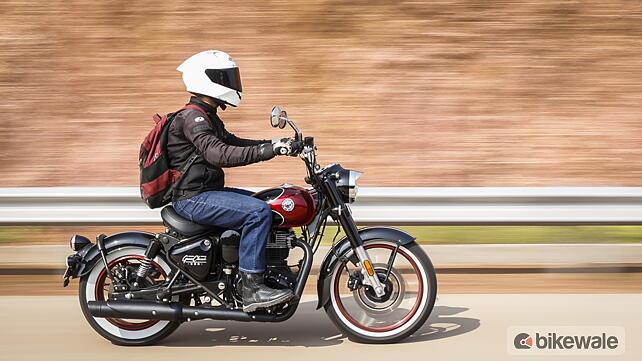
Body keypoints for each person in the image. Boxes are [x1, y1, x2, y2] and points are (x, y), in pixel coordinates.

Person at [167, 50, 294, 312]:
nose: (232, 82)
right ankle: (252, 288)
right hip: (193, 198)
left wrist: (276, 145)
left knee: (267, 203)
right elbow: (219, 153)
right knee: (258, 213)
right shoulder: (193, 117)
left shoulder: (206, 114)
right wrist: (269, 151)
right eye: (226, 77)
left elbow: (233, 142)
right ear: (208, 78)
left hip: (205, 192)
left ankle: (258, 269)